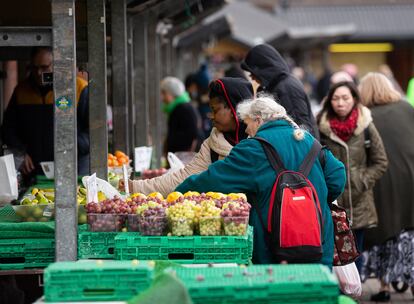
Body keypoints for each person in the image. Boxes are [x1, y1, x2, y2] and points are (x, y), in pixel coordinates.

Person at [176, 95, 346, 267]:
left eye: (248, 123)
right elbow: (337, 176)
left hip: (274, 251)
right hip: (318, 243)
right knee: (318, 291)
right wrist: (310, 202)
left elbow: (214, 179)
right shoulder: (308, 140)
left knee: (277, 293)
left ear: (258, 120)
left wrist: (179, 193)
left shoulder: (253, 149)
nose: (247, 131)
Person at [126, 77, 254, 196]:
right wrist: (135, 187)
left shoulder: (259, 143)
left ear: (234, 109)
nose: (212, 116)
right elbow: (183, 178)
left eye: (215, 110)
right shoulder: (212, 145)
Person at [317, 81, 388, 272]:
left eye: (345, 98)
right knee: (333, 256)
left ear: (354, 99)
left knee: (355, 255)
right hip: (332, 203)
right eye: (336, 98)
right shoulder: (320, 127)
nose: (340, 103)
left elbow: (381, 161)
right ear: (329, 101)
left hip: (359, 204)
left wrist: (361, 180)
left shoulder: (365, 125)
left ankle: (353, 298)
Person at [359, 73, 414, 302]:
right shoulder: (407, 108)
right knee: (409, 233)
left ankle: (383, 287)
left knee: (382, 232)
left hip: (382, 180)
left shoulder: (365, 116)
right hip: (410, 175)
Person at [1, 47, 90, 176]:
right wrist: (21, 153)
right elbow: (9, 130)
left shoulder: (79, 88)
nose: (38, 73)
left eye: (44, 67)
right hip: (35, 172)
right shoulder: (21, 91)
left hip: (74, 168)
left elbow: (94, 131)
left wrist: (73, 146)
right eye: (34, 67)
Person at [240, 44, 319, 138]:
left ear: (263, 68)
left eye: (253, 72)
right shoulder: (278, 85)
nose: (251, 77)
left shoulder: (286, 87)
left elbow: (301, 127)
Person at [160, 77, 203, 153]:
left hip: (183, 157)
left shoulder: (183, 108)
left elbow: (193, 133)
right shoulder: (178, 107)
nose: (162, 98)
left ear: (172, 93)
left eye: (164, 93)